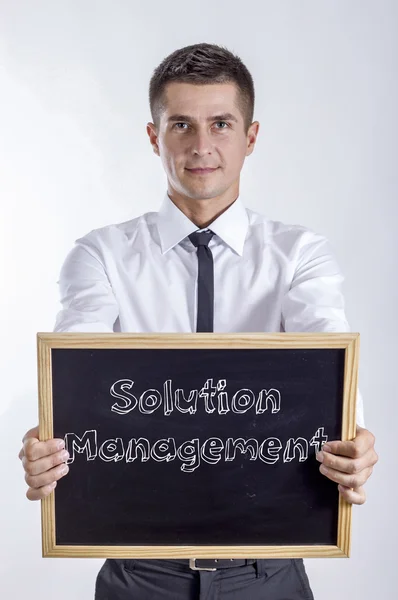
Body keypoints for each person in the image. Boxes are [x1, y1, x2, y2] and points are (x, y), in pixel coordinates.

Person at [18, 42, 378, 600]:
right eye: (181, 124)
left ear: (251, 137)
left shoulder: (300, 255)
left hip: (268, 574)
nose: (201, 145)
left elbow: (328, 358)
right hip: (140, 575)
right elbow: (75, 374)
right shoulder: (101, 256)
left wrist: (355, 440)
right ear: (153, 136)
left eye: (221, 124)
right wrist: (49, 440)